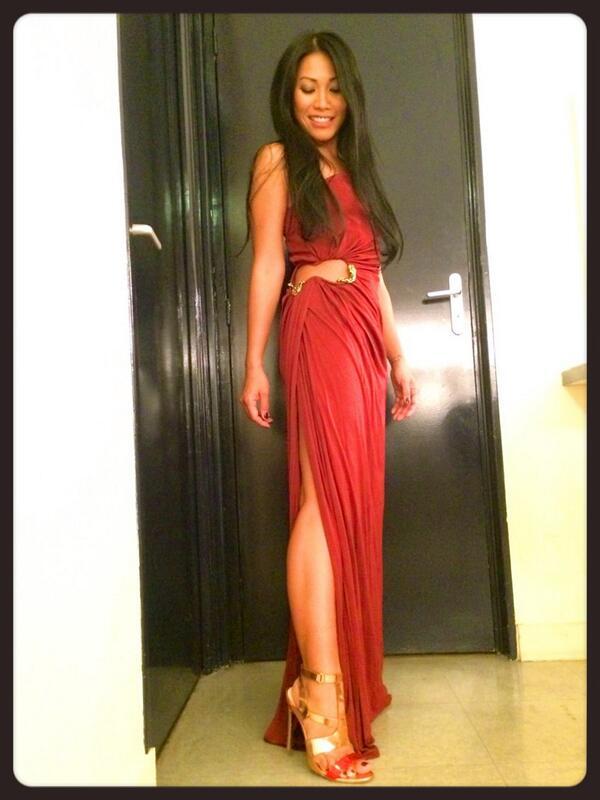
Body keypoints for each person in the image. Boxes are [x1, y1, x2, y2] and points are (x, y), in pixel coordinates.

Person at [239, 29, 416, 784]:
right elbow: (268, 263)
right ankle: (319, 692)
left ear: (350, 95)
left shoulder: (357, 169)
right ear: (290, 94)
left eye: (334, 88)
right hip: (316, 327)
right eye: (308, 87)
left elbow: (372, 274)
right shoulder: (277, 160)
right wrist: (253, 360)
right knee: (322, 501)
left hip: (363, 338)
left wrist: (398, 357)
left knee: (353, 509)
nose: (322, 102)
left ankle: (343, 675)